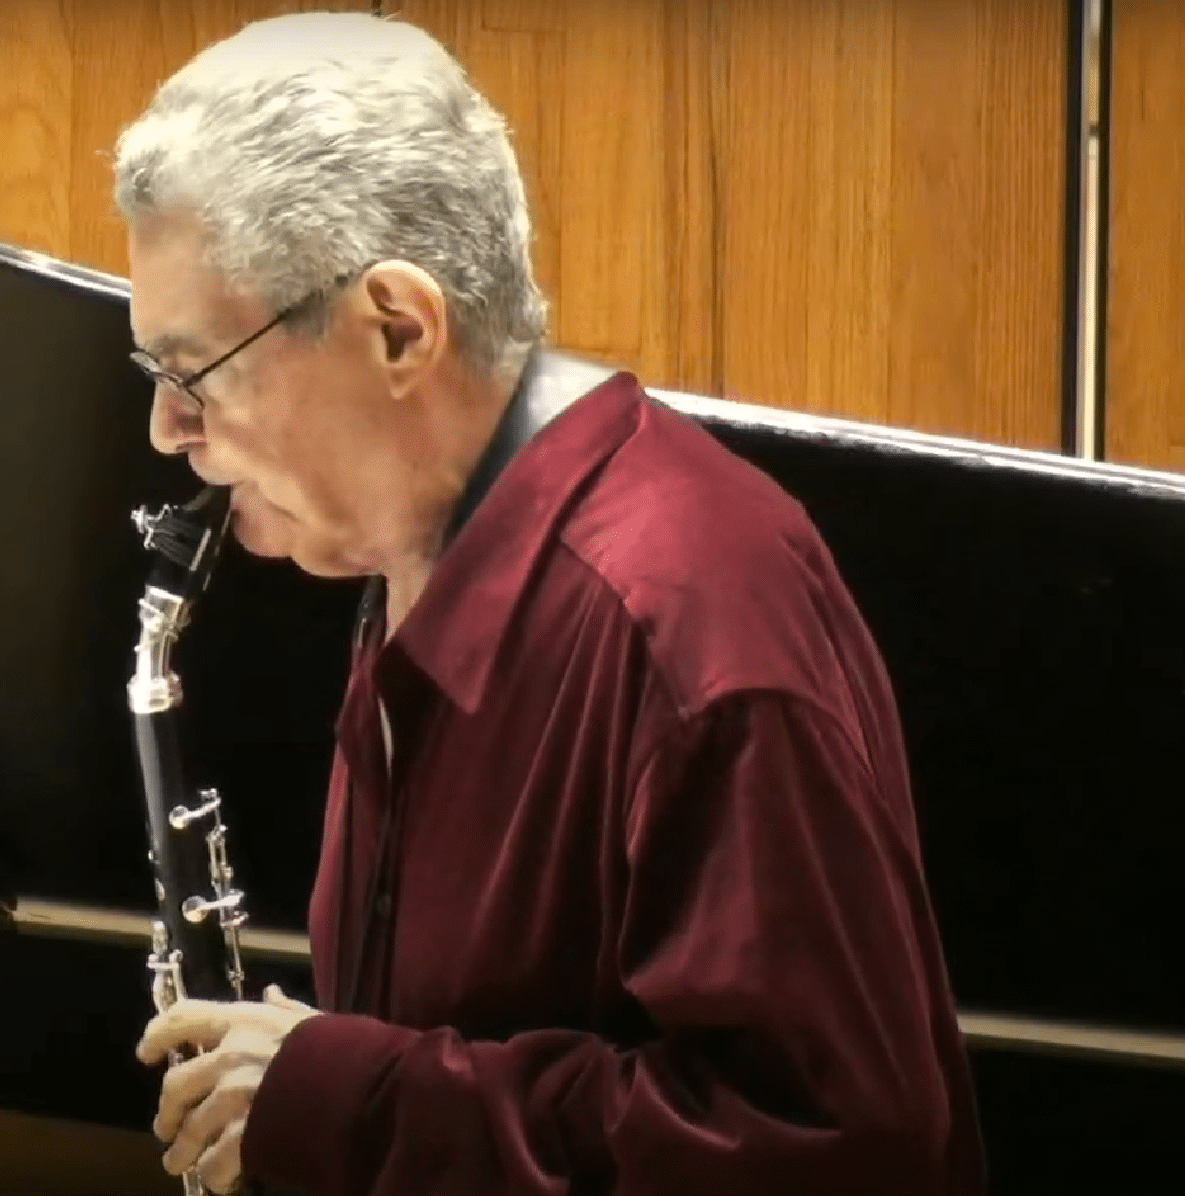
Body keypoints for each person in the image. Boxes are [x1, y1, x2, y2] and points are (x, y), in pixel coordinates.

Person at [114, 12, 984, 1196]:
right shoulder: (411, 551)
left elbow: (835, 1147)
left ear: (396, 329)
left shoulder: (683, 628)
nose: (167, 429)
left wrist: (355, 1103)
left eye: (194, 372)